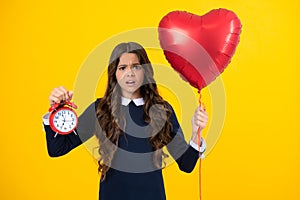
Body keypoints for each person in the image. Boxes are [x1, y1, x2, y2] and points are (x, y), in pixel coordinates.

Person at [42, 42, 208, 200]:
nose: (130, 73)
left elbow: (186, 165)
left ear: (145, 72)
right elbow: (57, 148)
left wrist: (195, 133)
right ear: (114, 72)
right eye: (122, 68)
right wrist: (56, 111)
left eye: (136, 67)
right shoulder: (100, 109)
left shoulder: (162, 111)